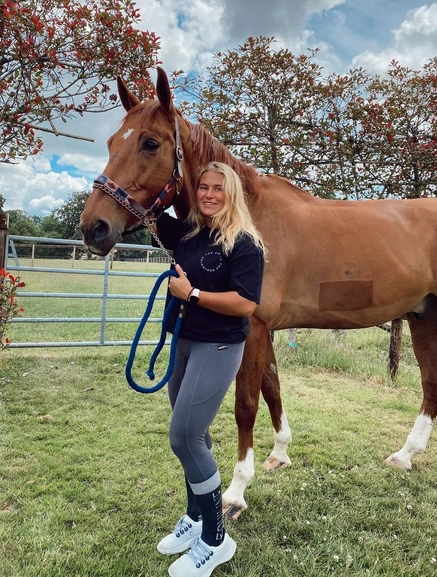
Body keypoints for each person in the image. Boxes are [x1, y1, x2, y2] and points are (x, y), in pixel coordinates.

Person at [153, 161, 266, 577]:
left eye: (218, 187)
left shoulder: (246, 244)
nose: (209, 194)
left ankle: (217, 540)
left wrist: (193, 293)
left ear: (231, 192)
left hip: (218, 346)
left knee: (184, 436)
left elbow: (246, 304)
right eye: (203, 187)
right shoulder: (188, 231)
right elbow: (142, 206)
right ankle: (195, 517)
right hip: (184, 342)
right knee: (194, 434)